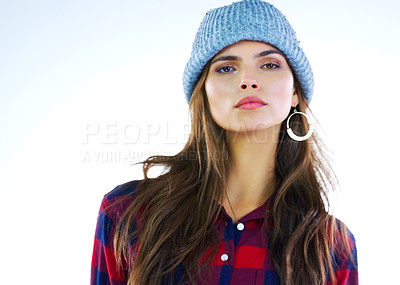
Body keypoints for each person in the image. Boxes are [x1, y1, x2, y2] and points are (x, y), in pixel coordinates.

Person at [90, 0, 358, 284]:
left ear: (295, 92)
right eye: (226, 68)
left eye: (269, 64)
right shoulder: (128, 211)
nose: (249, 80)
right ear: (203, 92)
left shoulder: (331, 246)